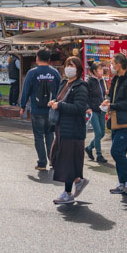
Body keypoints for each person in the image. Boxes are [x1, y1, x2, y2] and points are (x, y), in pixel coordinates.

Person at [48, 56, 90, 205]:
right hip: (61, 127)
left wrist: (60, 106)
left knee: (67, 162)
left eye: (72, 65)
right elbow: (60, 100)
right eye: (67, 65)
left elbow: (79, 108)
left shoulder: (81, 87)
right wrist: (55, 102)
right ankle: (78, 180)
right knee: (56, 158)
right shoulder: (64, 83)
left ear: (78, 69)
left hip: (73, 130)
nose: (69, 68)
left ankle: (67, 192)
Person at [19, 47, 61, 171]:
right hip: (51, 109)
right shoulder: (54, 73)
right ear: (49, 59)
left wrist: (22, 106)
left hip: (36, 109)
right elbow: (60, 91)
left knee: (38, 136)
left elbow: (26, 90)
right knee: (50, 135)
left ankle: (42, 163)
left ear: (37, 58)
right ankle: (52, 160)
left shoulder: (32, 73)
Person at [105, 53, 127, 194]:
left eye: (113, 63)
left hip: (126, 121)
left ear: (119, 65)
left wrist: (113, 106)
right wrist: (108, 102)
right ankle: (123, 183)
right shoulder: (116, 79)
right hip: (115, 120)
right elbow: (111, 96)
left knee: (116, 151)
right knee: (121, 153)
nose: (111, 66)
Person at [84, 60, 108, 164]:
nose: (102, 71)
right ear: (94, 71)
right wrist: (87, 107)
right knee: (98, 132)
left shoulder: (102, 80)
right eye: (100, 69)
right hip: (93, 110)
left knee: (102, 133)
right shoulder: (89, 82)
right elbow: (85, 96)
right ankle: (99, 154)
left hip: (101, 109)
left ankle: (89, 148)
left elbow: (102, 94)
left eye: (102, 69)